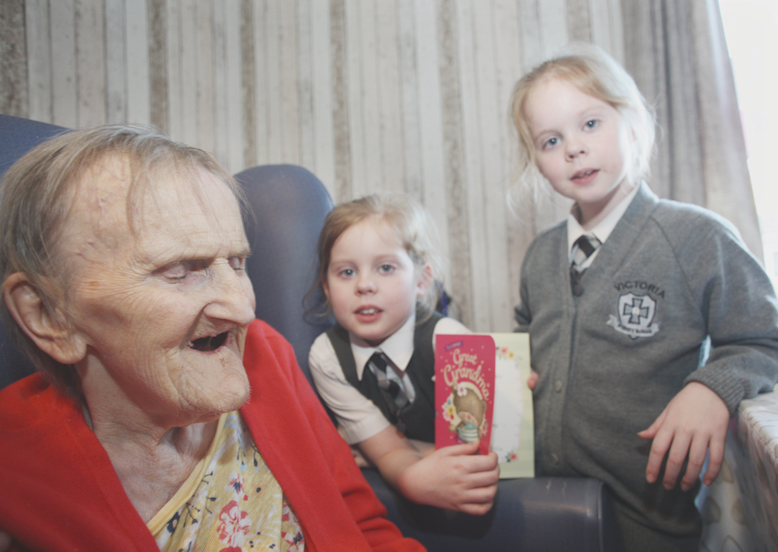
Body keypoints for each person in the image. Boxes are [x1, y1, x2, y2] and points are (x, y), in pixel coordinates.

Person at [0, 125, 424, 552]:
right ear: (50, 316)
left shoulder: (265, 354)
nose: (243, 310)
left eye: (237, 263)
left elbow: (363, 528)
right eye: (181, 270)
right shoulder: (13, 467)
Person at [509, 44, 778, 551]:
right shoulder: (539, 255)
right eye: (550, 139)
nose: (573, 148)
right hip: (541, 510)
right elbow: (524, 339)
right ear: (537, 161)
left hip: (648, 522)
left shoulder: (697, 237)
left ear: (633, 122)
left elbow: (764, 340)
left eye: (590, 124)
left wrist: (712, 388)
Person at [308, 193, 499, 515]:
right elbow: (388, 451)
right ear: (326, 288)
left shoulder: (449, 341)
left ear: (422, 280)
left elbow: (474, 453)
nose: (365, 285)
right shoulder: (327, 356)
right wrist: (408, 478)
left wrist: (387, 452)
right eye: (346, 272)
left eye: (385, 267)